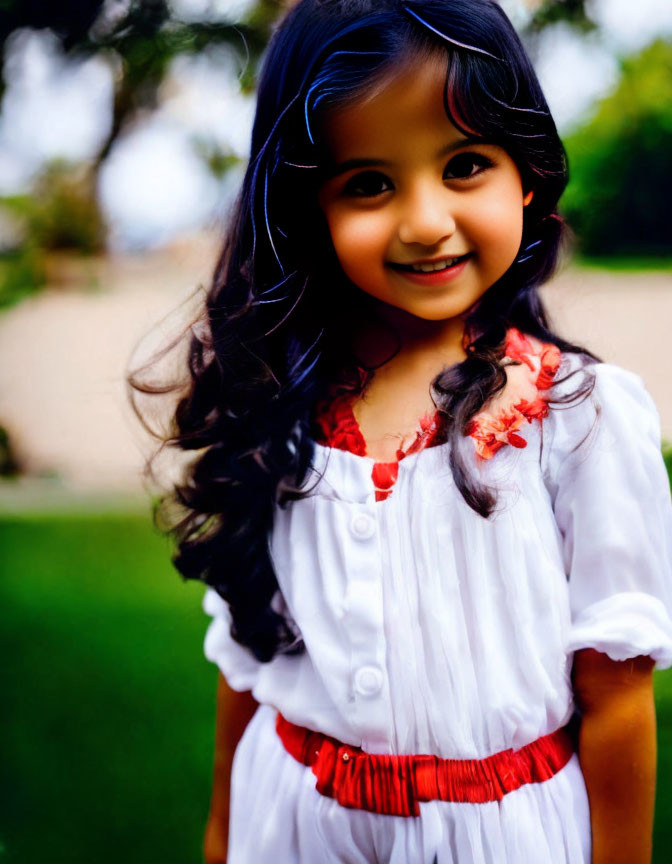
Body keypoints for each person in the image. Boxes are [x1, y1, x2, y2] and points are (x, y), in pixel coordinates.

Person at [140, 1, 672, 861]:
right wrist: (221, 837)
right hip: (292, 825)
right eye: (370, 183)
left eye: (465, 164)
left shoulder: (580, 417)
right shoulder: (282, 403)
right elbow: (250, 662)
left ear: (527, 175)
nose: (425, 222)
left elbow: (615, 697)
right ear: (305, 206)